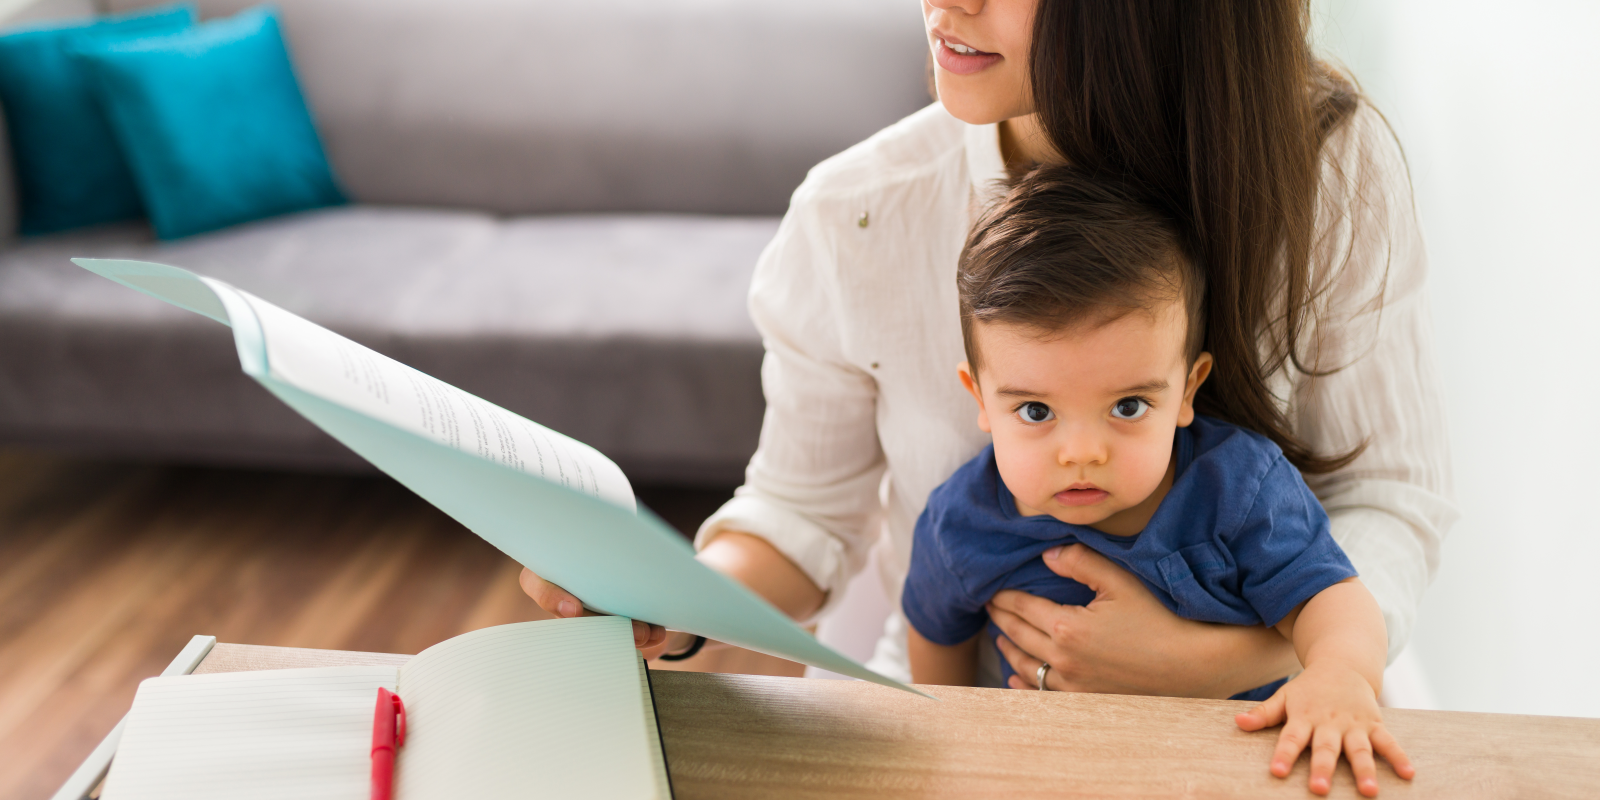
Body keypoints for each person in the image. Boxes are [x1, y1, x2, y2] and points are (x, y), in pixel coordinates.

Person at [521, 0, 1453, 784]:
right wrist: (664, 602)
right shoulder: (857, 212)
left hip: (1277, 716)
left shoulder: (1326, 171)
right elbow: (801, 513)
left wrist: (1225, 663)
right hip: (955, 718)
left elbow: (1389, 498)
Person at [902, 166, 1412, 796]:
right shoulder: (962, 524)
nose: (1081, 453)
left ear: (1187, 390)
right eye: (1036, 412)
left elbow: (1332, 599)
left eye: (1128, 406)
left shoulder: (1238, 488)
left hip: (1245, 766)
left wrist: (1340, 674)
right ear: (979, 397)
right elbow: (933, 668)